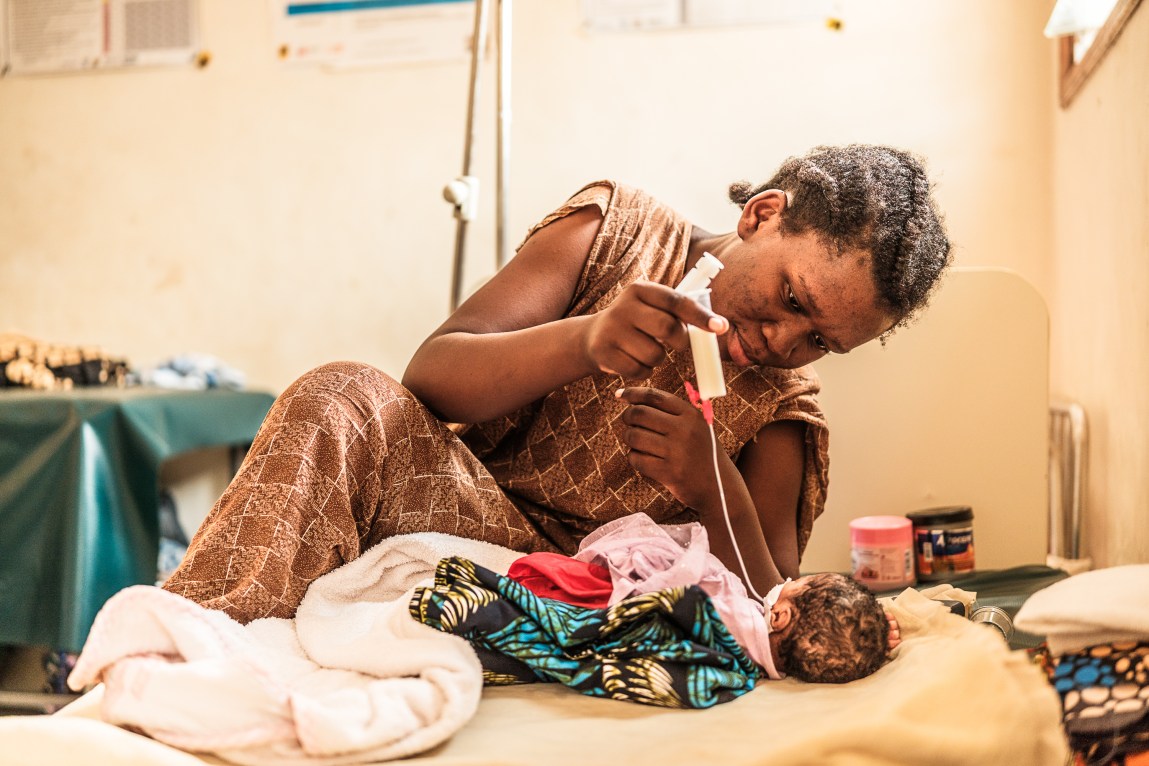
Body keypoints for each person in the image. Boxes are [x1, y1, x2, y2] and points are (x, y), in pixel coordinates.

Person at [163, 144, 951, 625]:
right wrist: (584, 340)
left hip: (597, 593)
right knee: (339, 393)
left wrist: (714, 488)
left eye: (819, 341)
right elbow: (431, 379)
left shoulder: (780, 407)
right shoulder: (616, 232)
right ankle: (197, 642)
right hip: (463, 522)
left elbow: (774, 597)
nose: (782, 340)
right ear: (761, 216)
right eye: (790, 299)